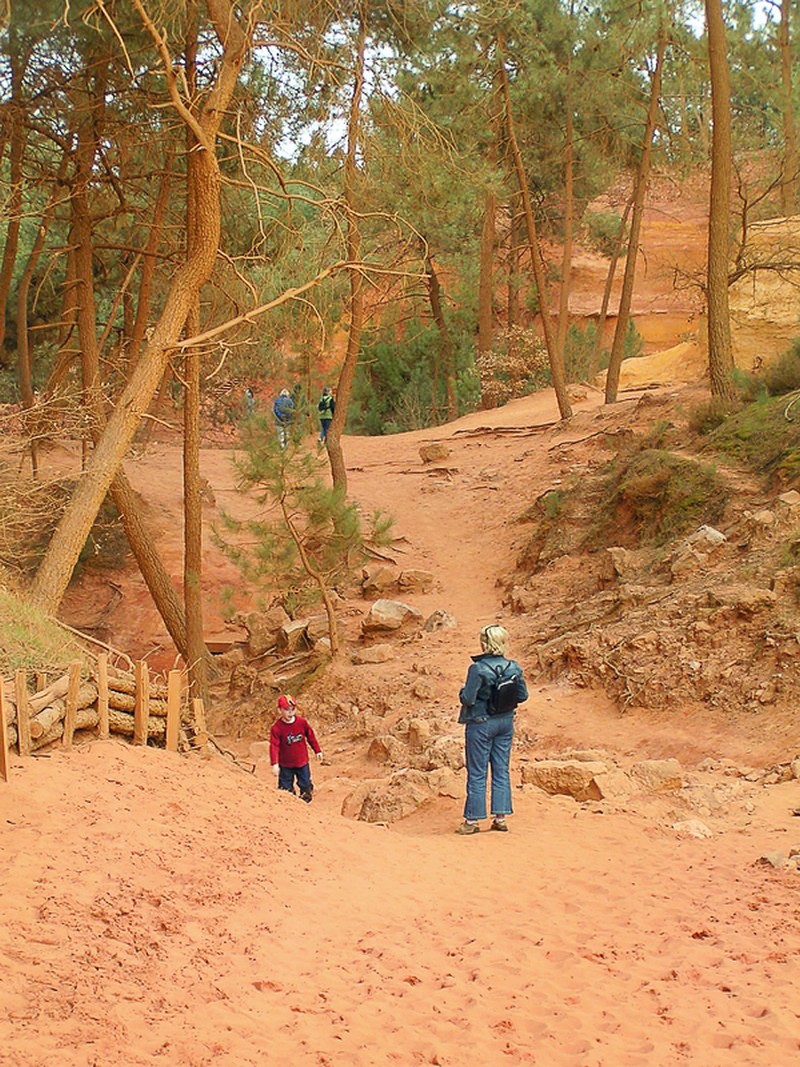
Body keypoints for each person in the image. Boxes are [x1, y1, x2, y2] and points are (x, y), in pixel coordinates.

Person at [455, 624, 528, 835]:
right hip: (505, 722)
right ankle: (500, 817)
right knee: (501, 769)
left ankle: (472, 820)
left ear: (485, 644)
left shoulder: (477, 669)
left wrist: (463, 692)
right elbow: (522, 696)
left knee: (477, 772)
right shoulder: (514, 666)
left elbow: (467, 698)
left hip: (480, 723)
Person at [269, 694, 323, 803]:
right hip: (285, 764)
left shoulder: (301, 723)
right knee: (285, 789)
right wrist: (274, 763)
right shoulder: (277, 728)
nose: (290, 712)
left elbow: (310, 736)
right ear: (280, 710)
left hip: (302, 762)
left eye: (292, 709)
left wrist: (317, 750)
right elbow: (274, 746)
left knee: (305, 784)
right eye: (286, 710)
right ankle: (290, 806)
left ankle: (305, 802)